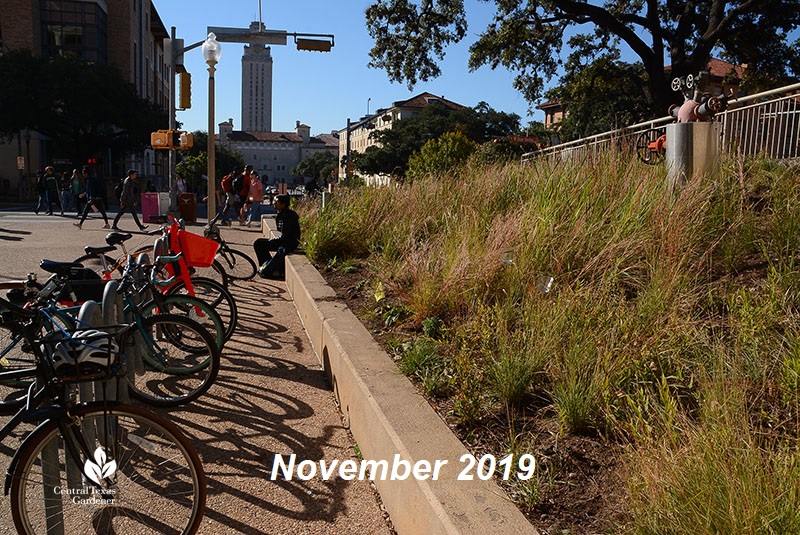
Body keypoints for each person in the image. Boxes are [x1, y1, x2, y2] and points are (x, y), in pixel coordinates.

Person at [253, 194, 300, 280]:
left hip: (288, 243)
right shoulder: (283, 213)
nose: (274, 203)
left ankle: (270, 269)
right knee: (259, 243)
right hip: (285, 240)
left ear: (283, 204)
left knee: (260, 244)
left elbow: (287, 235)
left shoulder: (287, 215)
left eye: (276, 202)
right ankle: (267, 265)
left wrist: (274, 240)